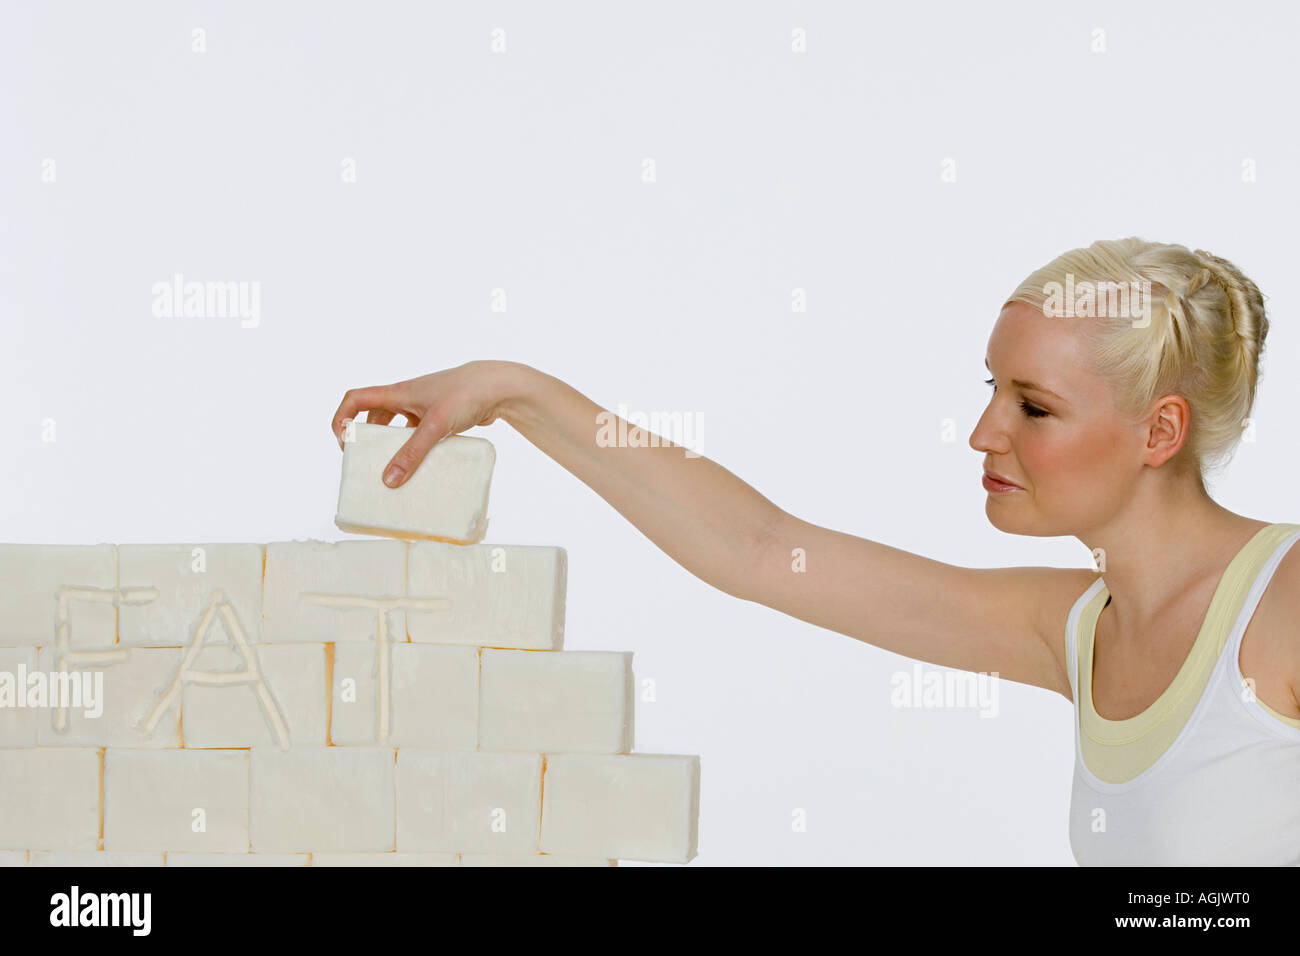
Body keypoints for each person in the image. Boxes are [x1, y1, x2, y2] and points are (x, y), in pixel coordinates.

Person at [331, 237, 1300, 866]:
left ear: (1158, 431)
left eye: (1031, 405)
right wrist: (517, 392)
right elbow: (762, 548)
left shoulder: (1283, 602)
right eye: (991, 389)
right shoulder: (1076, 630)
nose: (980, 431)